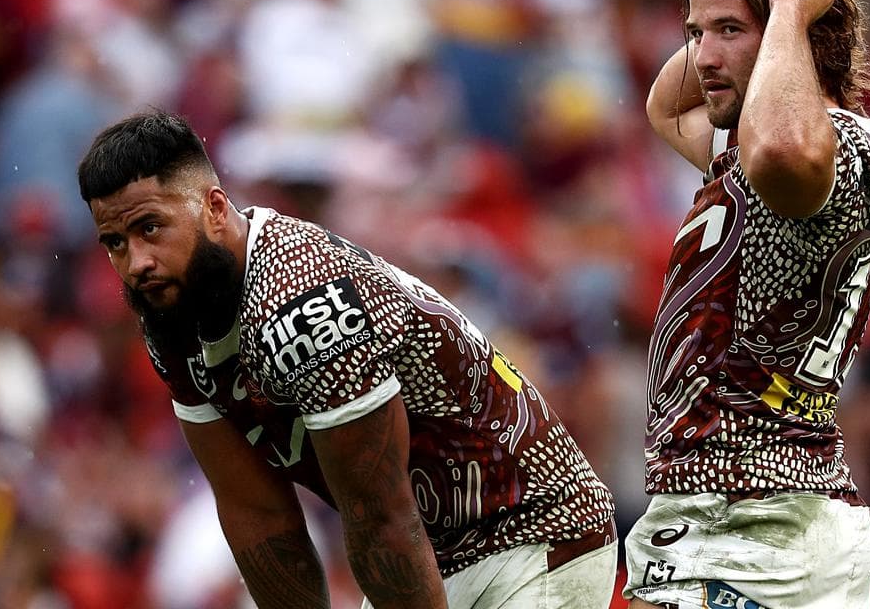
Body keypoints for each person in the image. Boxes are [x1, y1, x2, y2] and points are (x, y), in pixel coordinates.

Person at [77, 110, 617, 608]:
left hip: (530, 529)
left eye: (150, 228)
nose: (136, 263)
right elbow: (258, 516)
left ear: (215, 209)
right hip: (428, 549)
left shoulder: (304, 300)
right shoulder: (171, 310)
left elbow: (380, 514)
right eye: (115, 243)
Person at [624, 0, 870, 609]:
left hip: (745, 519)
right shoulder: (753, 147)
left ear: (802, 35)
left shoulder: (820, 152)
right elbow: (667, 105)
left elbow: (780, 149)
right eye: (696, 33)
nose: (705, 57)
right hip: (770, 513)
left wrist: (789, 7)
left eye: (730, 30)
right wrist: (749, 8)